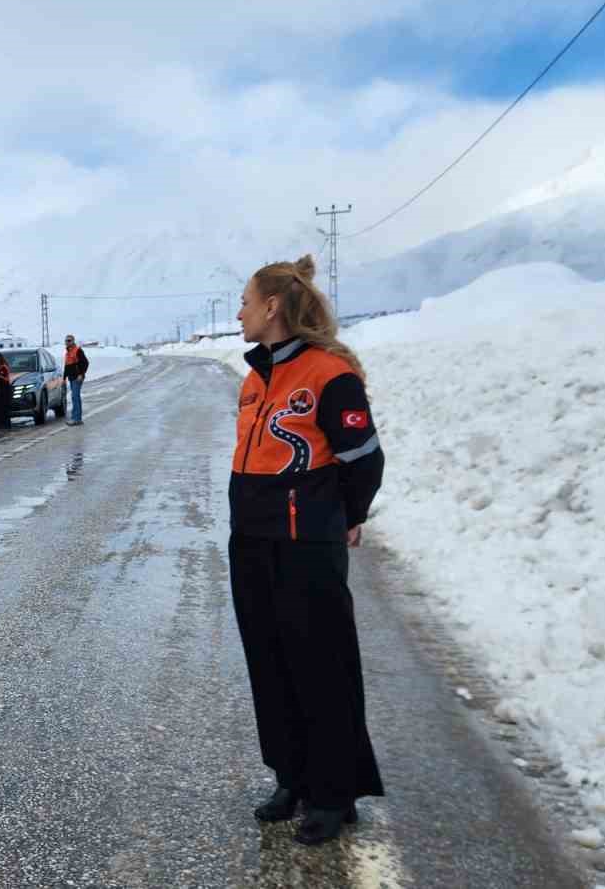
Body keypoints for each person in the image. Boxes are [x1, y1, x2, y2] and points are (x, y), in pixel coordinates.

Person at [228, 254, 386, 846]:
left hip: (306, 548)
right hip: (252, 541)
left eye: (246, 300)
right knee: (270, 665)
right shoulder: (254, 378)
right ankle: (291, 777)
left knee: (321, 667)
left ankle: (333, 791)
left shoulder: (328, 374)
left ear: (273, 307)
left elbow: (363, 458)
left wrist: (346, 517)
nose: (240, 311)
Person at [63, 334, 89, 424]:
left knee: (75, 397)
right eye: (66, 340)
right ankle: (75, 417)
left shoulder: (78, 350)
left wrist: (81, 374)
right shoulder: (68, 352)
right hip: (71, 377)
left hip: (77, 378)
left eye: (69, 340)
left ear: (73, 341)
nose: (67, 342)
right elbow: (67, 366)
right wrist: (64, 378)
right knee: (74, 397)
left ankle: (77, 419)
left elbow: (85, 363)